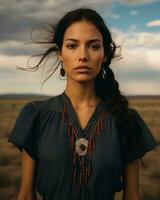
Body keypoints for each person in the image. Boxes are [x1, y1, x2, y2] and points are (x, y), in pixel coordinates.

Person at [8, 7, 158, 200]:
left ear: (104, 55)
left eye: (94, 46)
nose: (83, 56)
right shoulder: (37, 115)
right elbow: (26, 195)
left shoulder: (126, 120)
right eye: (72, 46)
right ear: (60, 54)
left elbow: (132, 197)